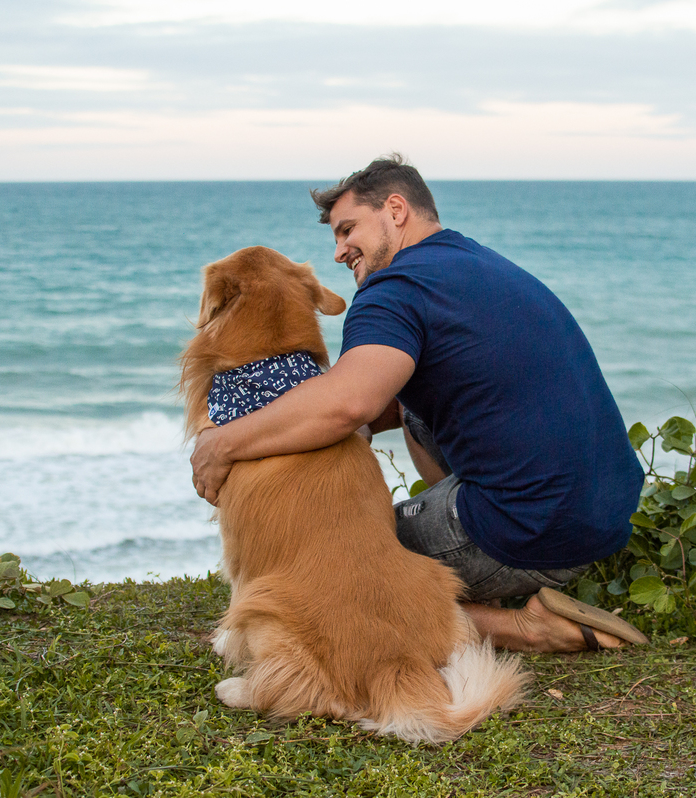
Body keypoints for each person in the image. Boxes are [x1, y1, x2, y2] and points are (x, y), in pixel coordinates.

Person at [191, 154, 646, 652]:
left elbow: (347, 405)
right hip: (601, 512)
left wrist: (223, 445)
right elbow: (374, 407)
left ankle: (524, 628)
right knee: (409, 404)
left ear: (395, 208)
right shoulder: (473, 262)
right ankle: (479, 549)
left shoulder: (394, 290)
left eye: (348, 230)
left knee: (343, 561)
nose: (339, 252)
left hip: (529, 529)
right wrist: (341, 430)